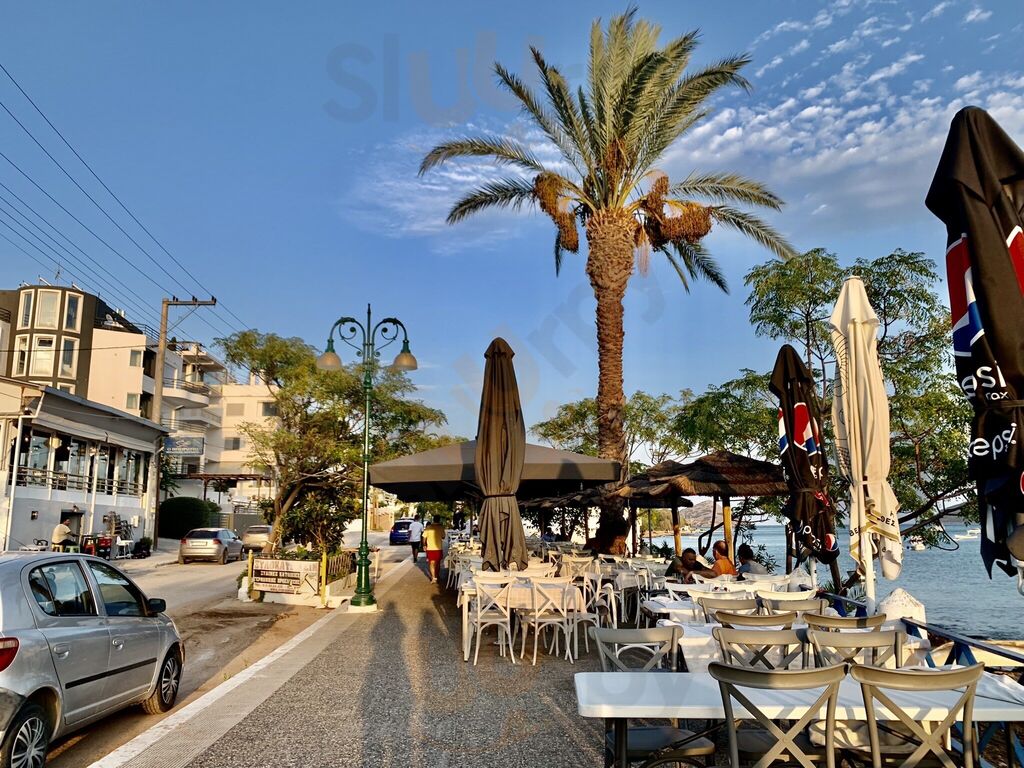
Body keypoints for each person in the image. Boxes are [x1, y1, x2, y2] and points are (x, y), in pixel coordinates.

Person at [422, 515, 445, 583]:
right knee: (437, 563)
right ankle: (437, 575)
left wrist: (424, 545)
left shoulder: (428, 527)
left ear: (433, 519)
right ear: (439, 520)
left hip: (430, 548)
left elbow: (424, 537)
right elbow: (443, 537)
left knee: (431, 563)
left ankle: (433, 577)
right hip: (438, 548)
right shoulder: (441, 527)